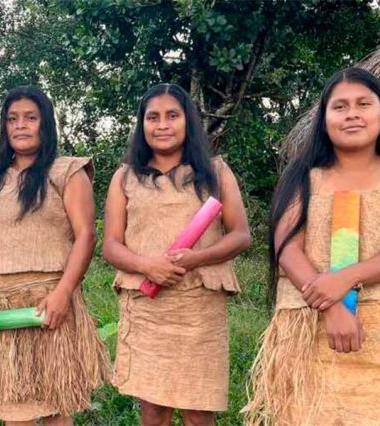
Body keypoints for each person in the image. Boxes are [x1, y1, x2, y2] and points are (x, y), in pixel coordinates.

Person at [242, 67, 380, 425]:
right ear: (324, 120)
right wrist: (333, 305)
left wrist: (346, 278)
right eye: (339, 107)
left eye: (363, 104)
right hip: (306, 329)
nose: (352, 113)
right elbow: (287, 246)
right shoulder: (302, 176)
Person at [0, 85, 110, 425]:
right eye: (12, 119)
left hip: (48, 302)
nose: (20, 125)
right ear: (4, 127)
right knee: (14, 411)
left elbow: (86, 236)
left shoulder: (67, 170)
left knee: (55, 407)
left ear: (46, 124)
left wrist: (63, 294)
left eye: (30, 117)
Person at [102, 83, 251, 426]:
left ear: (188, 122)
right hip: (147, 306)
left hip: (199, 307)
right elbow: (111, 245)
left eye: (172, 115)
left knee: (198, 409)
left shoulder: (215, 171)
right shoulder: (125, 177)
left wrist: (195, 258)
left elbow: (241, 235)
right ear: (142, 126)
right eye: (152, 117)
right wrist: (147, 265)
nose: (162, 125)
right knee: (153, 408)